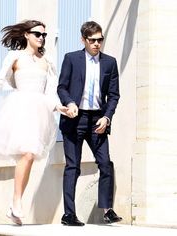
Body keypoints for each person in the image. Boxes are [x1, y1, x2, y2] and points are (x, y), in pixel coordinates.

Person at [0, 20, 68, 225]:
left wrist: (60, 108)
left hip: (40, 113)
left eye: (44, 35)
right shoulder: (15, 56)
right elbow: (0, 80)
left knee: (29, 156)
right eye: (37, 34)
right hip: (19, 109)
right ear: (26, 35)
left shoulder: (47, 61)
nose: (41, 38)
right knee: (27, 153)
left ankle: (15, 204)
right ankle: (16, 202)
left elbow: (51, 91)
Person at [57, 21, 122, 226]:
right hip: (74, 118)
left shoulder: (110, 63)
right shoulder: (71, 59)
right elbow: (62, 87)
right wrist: (69, 103)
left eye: (100, 40)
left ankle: (107, 210)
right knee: (73, 167)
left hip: (97, 120)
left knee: (105, 163)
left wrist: (107, 116)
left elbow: (113, 95)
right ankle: (69, 214)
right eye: (92, 40)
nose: (97, 44)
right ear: (83, 39)